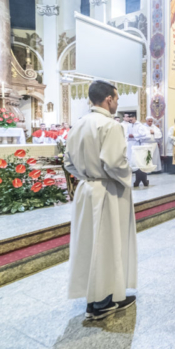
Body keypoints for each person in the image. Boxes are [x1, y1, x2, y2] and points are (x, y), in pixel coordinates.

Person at [64, 80, 137, 320]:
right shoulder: (110, 125)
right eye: (116, 99)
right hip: (106, 191)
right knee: (107, 245)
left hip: (86, 190)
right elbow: (114, 163)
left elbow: (67, 163)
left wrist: (87, 176)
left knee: (89, 244)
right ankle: (104, 301)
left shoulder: (78, 124)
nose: (117, 104)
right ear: (108, 99)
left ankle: (97, 297)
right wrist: (129, 175)